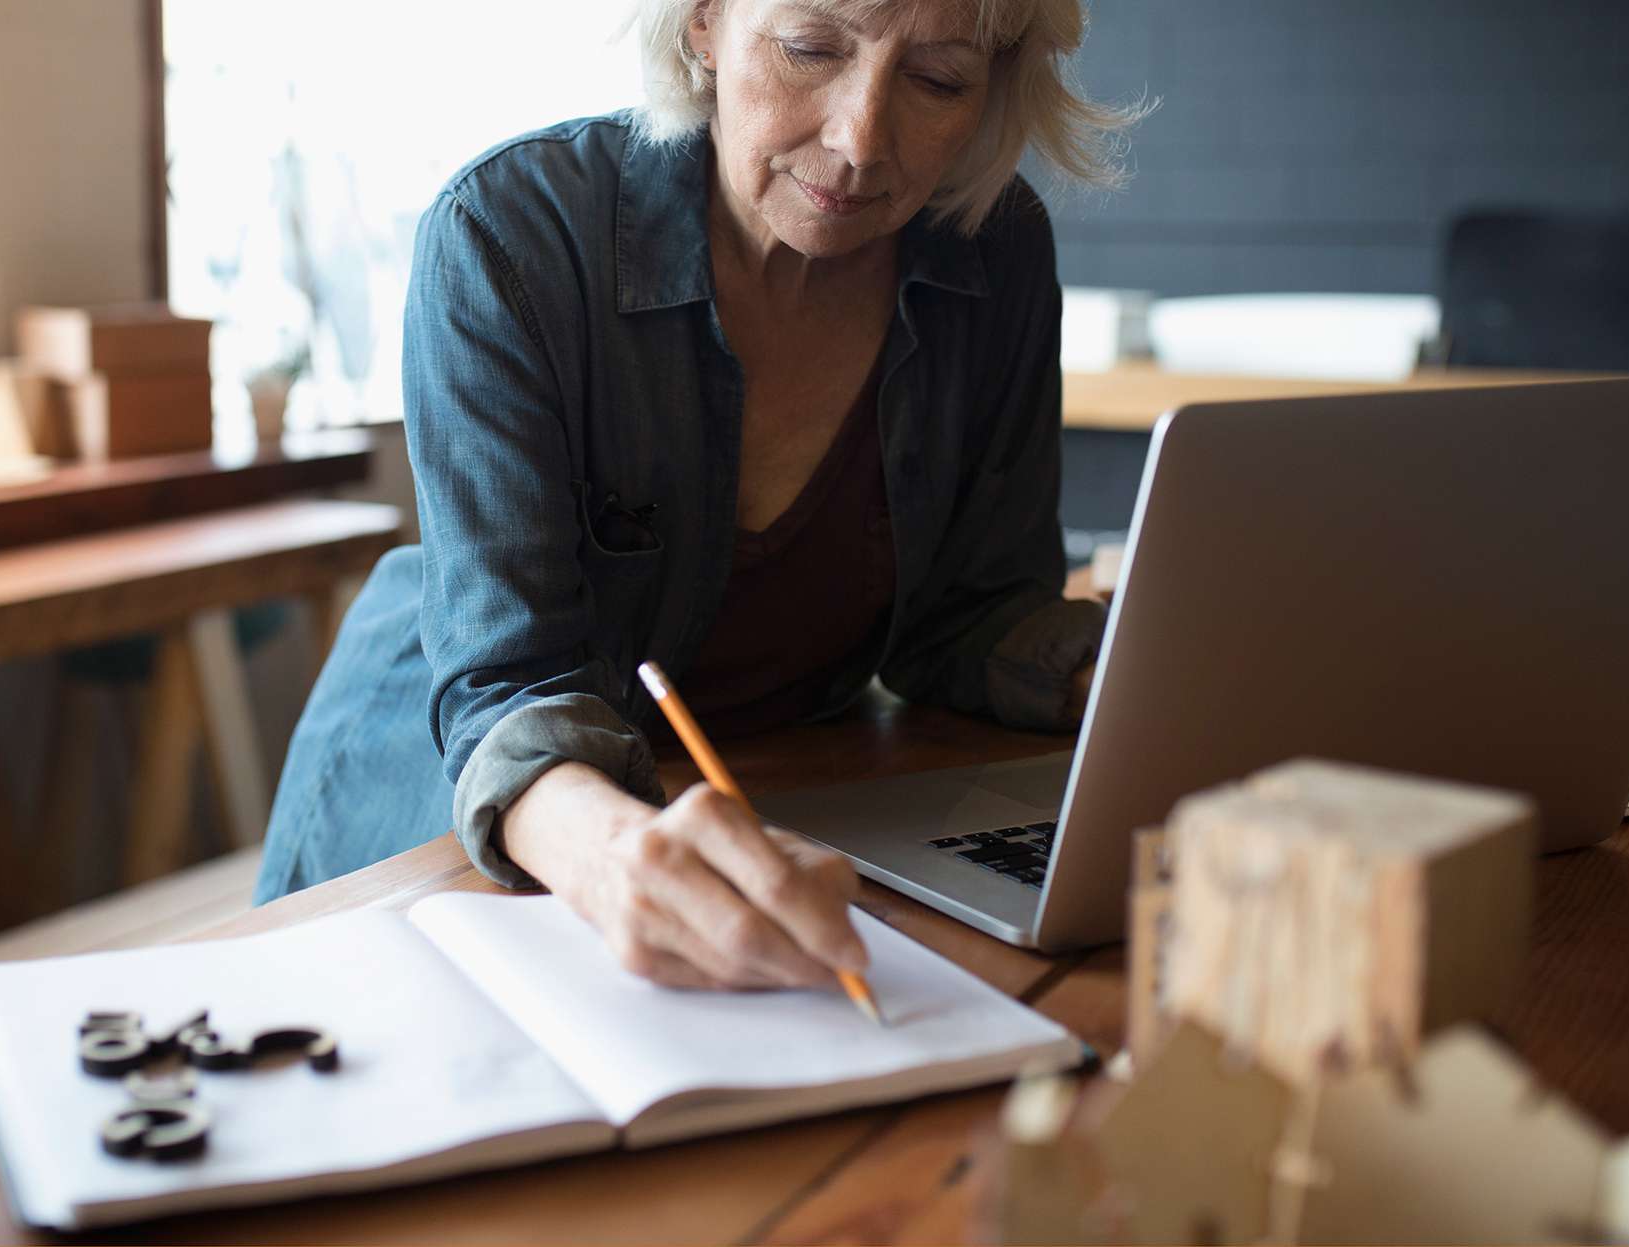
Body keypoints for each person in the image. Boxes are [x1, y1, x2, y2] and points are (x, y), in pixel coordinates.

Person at [255, 0, 1135, 991]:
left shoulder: (993, 246)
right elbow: (510, 687)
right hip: (457, 803)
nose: (858, 140)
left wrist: (1126, 684)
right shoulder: (511, 234)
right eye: (809, 49)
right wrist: (611, 854)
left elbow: (967, 617)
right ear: (706, 23)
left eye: (938, 80)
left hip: (767, 802)